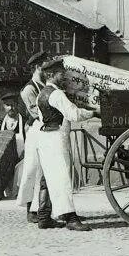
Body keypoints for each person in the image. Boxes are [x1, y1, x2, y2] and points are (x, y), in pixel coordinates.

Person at [33, 59, 96, 231]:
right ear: (52, 75)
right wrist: (94, 112)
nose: (64, 76)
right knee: (61, 178)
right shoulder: (56, 94)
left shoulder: (41, 94)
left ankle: (44, 217)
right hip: (55, 138)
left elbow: (40, 118)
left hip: (45, 138)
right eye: (61, 73)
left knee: (48, 178)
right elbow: (74, 114)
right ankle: (70, 218)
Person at [14, 52, 52, 224]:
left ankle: (45, 209)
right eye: (45, 67)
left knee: (44, 173)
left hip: (44, 132)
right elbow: (37, 114)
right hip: (35, 133)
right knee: (33, 171)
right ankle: (32, 211)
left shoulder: (44, 85)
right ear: (37, 67)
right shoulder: (29, 89)